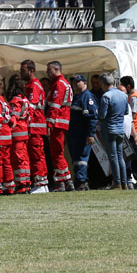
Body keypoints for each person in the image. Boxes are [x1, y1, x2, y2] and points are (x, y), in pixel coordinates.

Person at [21, 60, 49, 193]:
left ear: (31, 71)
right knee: (35, 154)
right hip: (33, 126)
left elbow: (31, 106)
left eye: (24, 70)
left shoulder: (34, 86)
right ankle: (40, 183)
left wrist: (25, 122)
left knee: (37, 154)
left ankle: (41, 184)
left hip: (35, 126)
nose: (22, 72)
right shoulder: (31, 85)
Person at [45, 61, 73, 191]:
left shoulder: (59, 84)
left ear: (56, 69)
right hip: (62, 121)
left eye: (49, 70)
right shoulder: (63, 83)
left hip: (58, 121)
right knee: (58, 152)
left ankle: (61, 181)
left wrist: (49, 123)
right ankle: (67, 180)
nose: (47, 72)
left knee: (57, 153)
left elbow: (55, 105)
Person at [97, 73, 128, 189]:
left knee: (113, 156)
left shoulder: (106, 96)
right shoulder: (123, 95)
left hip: (109, 129)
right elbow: (126, 112)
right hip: (120, 129)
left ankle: (117, 182)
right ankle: (124, 182)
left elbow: (102, 115)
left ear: (104, 84)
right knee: (120, 157)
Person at [67, 75, 97, 190]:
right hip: (73, 134)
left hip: (82, 134)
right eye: (73, 82)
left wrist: (91, 134)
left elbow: (92, 117)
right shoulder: (75, 97)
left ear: (84, 83)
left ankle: (81, 181)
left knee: (81, 159)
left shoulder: (88, 97)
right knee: (75, 158)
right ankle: (78, 179)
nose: (75, 84)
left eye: (77, 81)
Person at [119, 76, 137, 189]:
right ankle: (134, 179)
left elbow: (132, 116)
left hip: (136, 130)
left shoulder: (133, 98)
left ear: (128, 87)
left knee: (132, 156)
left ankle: (136, 180)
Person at [7, 75, 32, 193]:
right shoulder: (25, 99)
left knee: (18, 158)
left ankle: (21, 185)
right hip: (24, 130)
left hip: (17, 132)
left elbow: (14, 117)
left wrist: (7, 126)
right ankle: (26, 183)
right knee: (25, 158)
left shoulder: (16, 100)